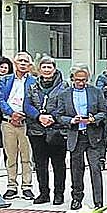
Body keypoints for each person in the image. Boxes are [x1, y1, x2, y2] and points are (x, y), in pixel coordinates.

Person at [56, 63, 107, 210]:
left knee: (95, 168)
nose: (81, 82)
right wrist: (71, 120)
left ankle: (98, 200)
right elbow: (59, 115)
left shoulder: (95, 92)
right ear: (72, 78)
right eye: (78, 80)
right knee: (76, 169)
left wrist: (93, 119)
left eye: (84, 80)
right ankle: (77, 198)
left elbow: (104, 112)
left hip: (92, 135)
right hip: (76, 135)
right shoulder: (64, 94)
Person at [24, 55, 67, 204]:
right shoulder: (32, 86)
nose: (47, 70)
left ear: (54, 69)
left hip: (56, 130)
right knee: (40, 164)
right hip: (36, 130)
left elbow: (65, 105)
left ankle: (59, 193)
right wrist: (39, 117)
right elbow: (27, 105)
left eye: (50, 67)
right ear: (39, 69)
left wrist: (52, 117)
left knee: (58, 164)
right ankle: (43, 193)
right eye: (44, 67)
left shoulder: (64, 86)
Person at [0, 51, 35, 200]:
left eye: (26, 61)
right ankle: (11, 185)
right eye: (20, 61)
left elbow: (34, 101)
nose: (23, 64)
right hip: (8, 122)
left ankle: (27, 186)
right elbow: (0, 99)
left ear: (30, 65)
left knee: (26, 156)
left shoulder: (34, 82)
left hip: (26, 122)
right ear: (15, 63)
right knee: (11, 156)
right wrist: (12, 113)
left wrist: (23, 114)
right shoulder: (5, 80)